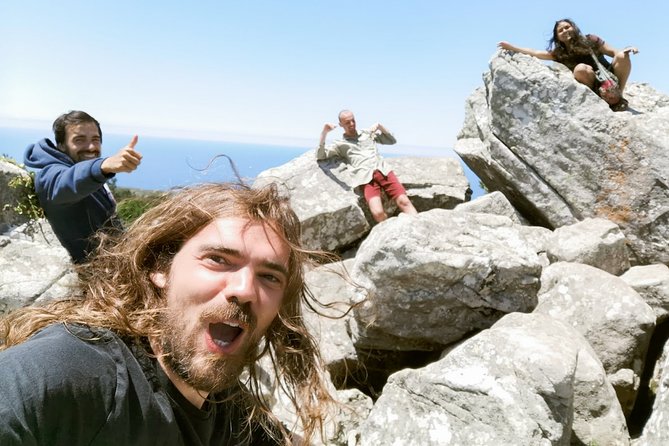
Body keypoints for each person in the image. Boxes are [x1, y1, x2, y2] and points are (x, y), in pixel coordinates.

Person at [0, 183, 334, 445]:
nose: (245, 289)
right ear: (161, 268)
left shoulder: (226, 410)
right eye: (218, 259)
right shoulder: (80, 371)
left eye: (270, 276)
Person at [23, 110, 142, 263]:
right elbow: (64, 183)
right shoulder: (50, 174)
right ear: (61, 146)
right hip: (94, 278)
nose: (91, 147)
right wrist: (103, 165)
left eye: (95, 139)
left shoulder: (87, 174)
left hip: (116, 264)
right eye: (79, 140)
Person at [498, 18, 638, 111]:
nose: (565, 31)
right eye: (561, 30)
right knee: (580, 69)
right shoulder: (560, 53)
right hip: (593, 84)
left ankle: (619, 93)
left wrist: (628, 49)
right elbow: (535, 52)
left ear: (574, 28)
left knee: (622, 55)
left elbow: (614, 52)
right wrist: (512, 47)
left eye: (567, 27)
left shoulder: (591, 39)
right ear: (558, 37)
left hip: (609, 77)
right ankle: (599, 98)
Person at [317, 110, 418, 222]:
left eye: (353, 120)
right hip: (366, 179)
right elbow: (320, 155)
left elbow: (391, 140)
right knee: (377, 213)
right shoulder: (339, 144)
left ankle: (418, 226)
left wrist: (380, 126)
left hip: (383, 171)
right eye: (347, 122)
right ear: (341, 125)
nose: (352, 124)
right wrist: (324, 132)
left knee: (404, 202)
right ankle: (391, 232)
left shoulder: (367, 133)